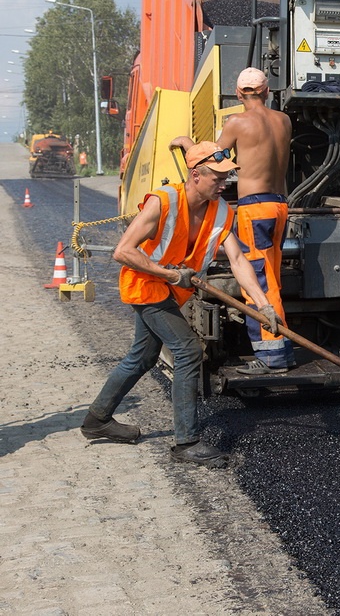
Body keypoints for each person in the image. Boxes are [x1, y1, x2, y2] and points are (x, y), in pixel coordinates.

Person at [80, 141, 281, 468]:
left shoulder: (221, 211)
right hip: (145, 285)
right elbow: (123, 251)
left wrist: (263, 305)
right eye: (217, 177)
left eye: (226, 176)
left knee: (142, 356)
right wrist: (170, 276)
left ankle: (97, 419)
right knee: (187, 350)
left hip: (171, 291)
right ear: (195, 175)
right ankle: (186, 442)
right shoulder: (164, 201)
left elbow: (238, 260)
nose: (223, 183)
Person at [170, 67, 295, 375]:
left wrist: (187, 144)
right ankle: (283, 352)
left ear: (239, 94)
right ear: (267, 92)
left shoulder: (237, 122)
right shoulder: (284, 121)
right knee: (272, 279)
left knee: (259, 283)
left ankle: (271, 357)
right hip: (280, 206)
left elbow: (214, 160)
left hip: (254, 208)